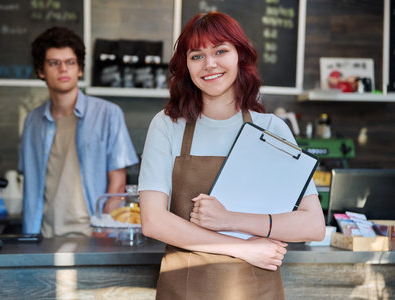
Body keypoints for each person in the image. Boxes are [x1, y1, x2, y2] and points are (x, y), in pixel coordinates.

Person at [138, 12, 325, 299]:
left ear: (240, 55)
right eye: (196, 55)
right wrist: (243, 248)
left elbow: (312, 224)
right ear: (185, 66)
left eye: (220, 51)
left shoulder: (271, 128)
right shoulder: (167, 125)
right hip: (185, 287)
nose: (209, 64)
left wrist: (230, 219)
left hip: (257, 288)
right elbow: (153, 221)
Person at [19, 27, 139, 238]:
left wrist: (104, 231)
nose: (63, 69)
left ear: (80, 69)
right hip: (43, 238)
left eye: (70, 62)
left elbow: (118, 184)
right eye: (54, 63)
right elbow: (29, 183)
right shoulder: (32, 121)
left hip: (91, 237)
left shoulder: (108, 114)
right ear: (41, 71)